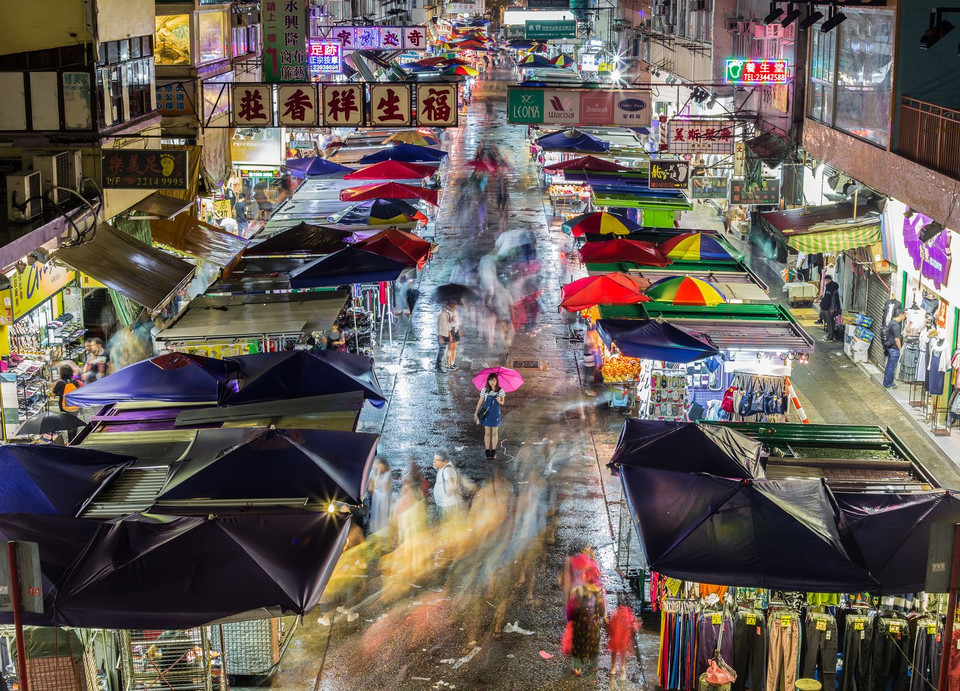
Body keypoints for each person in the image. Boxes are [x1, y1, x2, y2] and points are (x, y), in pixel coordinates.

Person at [565, 564, 607, 677]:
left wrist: (570, 619)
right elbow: (602, 611)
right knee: (594, 645)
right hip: (594, 626)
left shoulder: (577, 591)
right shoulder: (600, 591)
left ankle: (577, 668)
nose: (583, 574)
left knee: (577, 645)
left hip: (580, 625)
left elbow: (570, 611)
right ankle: (593, 666)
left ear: (588, 576)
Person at [474, 373, 506, 459]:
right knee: (487, 433)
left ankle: (494, 451)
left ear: (497, 381)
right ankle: (487, 450)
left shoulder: (501, 390)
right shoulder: (484, 390)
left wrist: (499, 401)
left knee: (495, 432)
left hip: (496, 414)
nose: (492, 382)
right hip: (486, 413)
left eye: (494, 380)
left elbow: (503, 402)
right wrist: (476, 413)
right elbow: (480, 402)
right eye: (490, 380)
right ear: (488, 381)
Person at [608, 605, 640, 681]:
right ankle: (623, 667)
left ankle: (613, 667)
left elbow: (611, 627)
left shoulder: (615, 615)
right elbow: (634, 625)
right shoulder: (629, 615)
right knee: (623, 652)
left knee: (614, 651)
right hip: (624, 638)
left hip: (616, 637)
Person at [432, 451, 465, 518]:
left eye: (437, 460)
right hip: (444, 504)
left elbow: (452, 485)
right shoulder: (443, 468)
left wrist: (448, 495)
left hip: (447, 506)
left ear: (444, 462)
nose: (434, 461)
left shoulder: (447, 470)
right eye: (434, 459)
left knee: (447, 525)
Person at [368, 458, 393, 540]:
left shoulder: (388, 474)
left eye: (378, 464)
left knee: (385, 520)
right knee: (377, 520)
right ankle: (379, 541)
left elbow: (385, 487)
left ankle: (388, 541)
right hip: (377, 498)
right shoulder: (375, 473)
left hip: (384, 498)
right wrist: (378, 473)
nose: (377, 466)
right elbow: (374, 486)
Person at [882, 311, 906, 389]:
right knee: (891, 367)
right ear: (901, 315)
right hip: (894, 348)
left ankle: (886, 382)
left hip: (890, 347)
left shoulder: (891, 323)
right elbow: (897, 339)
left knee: (889, 366)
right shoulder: (896, 326)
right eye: (904, 316)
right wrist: (901, 349)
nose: (905, 318)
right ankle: (888, 383)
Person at [819, 276, 841, 341]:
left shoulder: (832, 288)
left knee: (830, 322)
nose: (825, 282)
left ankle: (830, 336)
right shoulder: (828, 287)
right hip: (827, 307)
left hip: (830, 308)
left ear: (829, 280)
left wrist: (832, 309)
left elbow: (833, 299)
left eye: (826, 280)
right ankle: (830, 335)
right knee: (829, 321)